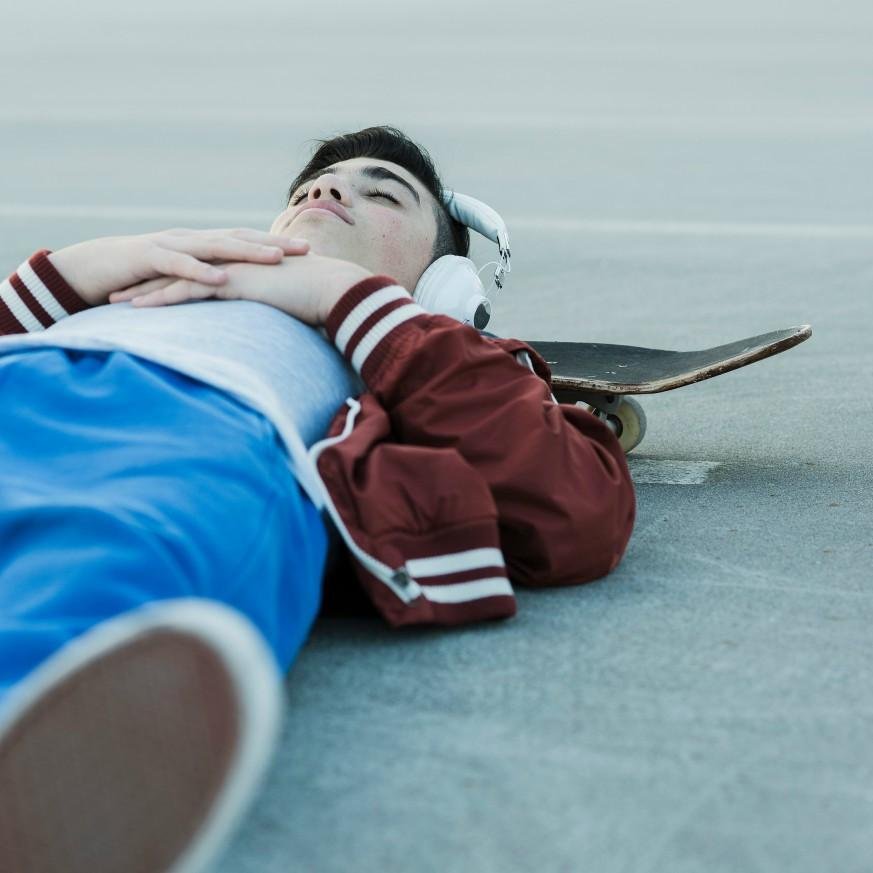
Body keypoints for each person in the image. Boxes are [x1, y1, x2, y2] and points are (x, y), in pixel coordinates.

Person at [0, 126, 635, 872]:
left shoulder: (423, 349)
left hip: (195, 438)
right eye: (312, 188)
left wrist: (343, 296)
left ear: (442, 283)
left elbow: (577, 506)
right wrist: (73, 272)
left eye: (382, 194)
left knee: (84, 605)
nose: (327, 190)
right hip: (23, 381)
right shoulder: (158, 275)